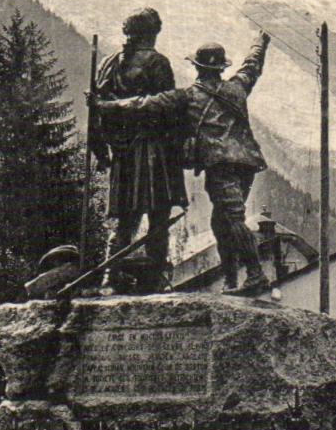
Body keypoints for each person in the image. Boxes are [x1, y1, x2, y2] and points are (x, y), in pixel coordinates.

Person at [97, 32, 272, 294]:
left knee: (233, 218)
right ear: (221, 67)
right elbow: (252, 65)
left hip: (219, 165)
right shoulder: (237, 88)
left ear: (197, 68)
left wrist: (107, 106)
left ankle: (255, 275)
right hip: (247, 164)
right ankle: (231, 281)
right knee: (221, 220)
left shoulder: (187, 97)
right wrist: (261, 41)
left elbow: (144, 104)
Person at [86, 7, 185, 293]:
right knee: (158, 217)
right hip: (154, 152)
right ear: (151, 34)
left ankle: (110, 276)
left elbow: (97, 114)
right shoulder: (157, 63)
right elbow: (167, 110)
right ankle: (153, 279)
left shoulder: (107, 63)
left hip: (123, 154)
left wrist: (102, 152)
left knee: (125, 219)